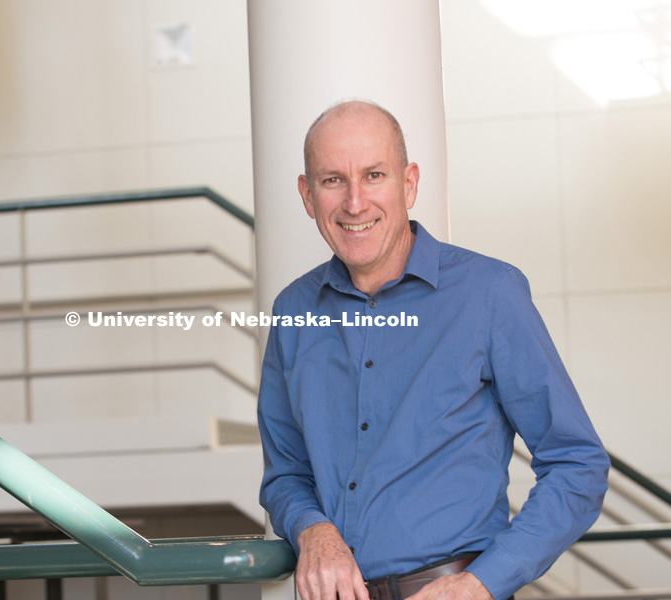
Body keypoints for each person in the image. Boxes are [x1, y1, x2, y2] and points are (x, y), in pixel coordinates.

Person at [256, 101, 610, 600]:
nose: (355, 203)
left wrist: (483, 583)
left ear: (409, 184)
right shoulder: (293, 309)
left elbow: (578, 463)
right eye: (333, 180)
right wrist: (312, 528)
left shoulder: (489, 293)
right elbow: (286, 473)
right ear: (307, 195)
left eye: (374, 175)